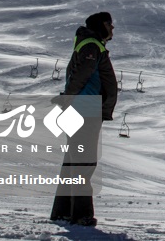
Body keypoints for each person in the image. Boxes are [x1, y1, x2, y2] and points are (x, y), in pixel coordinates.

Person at [50, 12, 118, 227]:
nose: (113, 28)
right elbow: (82, 75)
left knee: (73, 160)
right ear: (101, 25)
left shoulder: (91, 44)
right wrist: (68, 98)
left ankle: (62, 212)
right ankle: (81, 215)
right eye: (110, 24)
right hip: (85, 108)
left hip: (82, 107)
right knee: (84, 160)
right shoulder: (91, 45)